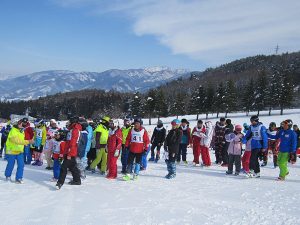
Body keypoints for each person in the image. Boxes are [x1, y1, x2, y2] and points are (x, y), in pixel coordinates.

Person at [4, 118, 34, 183]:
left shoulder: (21, 131)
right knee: (11, 164)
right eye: (22, 123)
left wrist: (25, 144)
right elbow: (15, 141)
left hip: (19, 151)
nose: (22, 125)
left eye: (24, 124)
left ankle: (18, 178)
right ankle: (8, 176)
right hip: (11, 151)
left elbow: (21, 140)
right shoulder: (13, 131)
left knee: (21, 165)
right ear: (18, 123)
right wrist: (27, 142)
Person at [56, 116, 82, 190]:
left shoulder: (75, 130)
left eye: (70, 122)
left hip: (71, 152)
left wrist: (70, 154)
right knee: (72, 167)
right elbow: (68, 141)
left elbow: (73, 143)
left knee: (64, 167)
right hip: (69, 151)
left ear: (73, 122)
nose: (69, 123)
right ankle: (77, 180)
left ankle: (59, 183)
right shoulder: (72, 129)